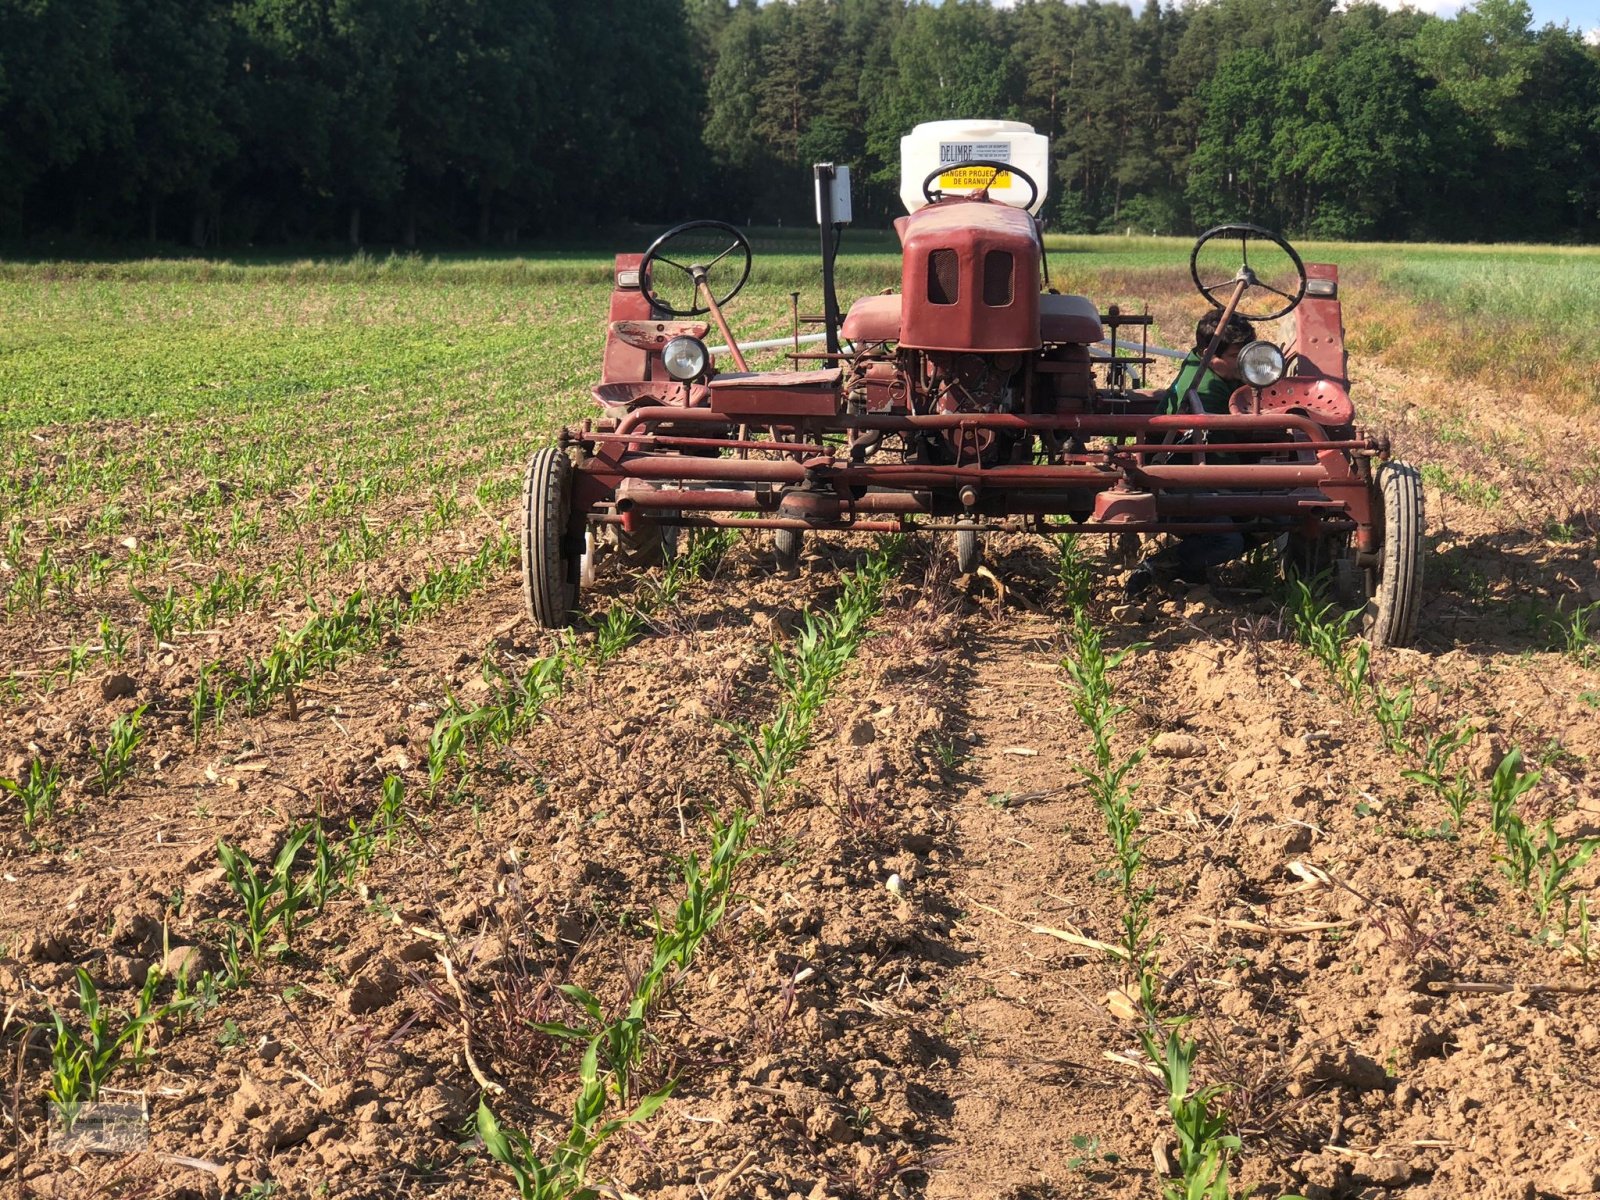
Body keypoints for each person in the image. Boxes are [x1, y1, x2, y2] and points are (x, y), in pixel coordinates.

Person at [1125, 311, 1255, 597]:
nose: (1242, 362)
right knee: (1235, 537)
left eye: (1247, 354)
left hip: (1196, 474)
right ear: (1209, 353)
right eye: (1235, 356)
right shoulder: (1207, 390)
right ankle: (1155, 569)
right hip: (1174, 481)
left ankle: (1194, 569)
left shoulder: (1207, 366)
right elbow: (1224, 460)